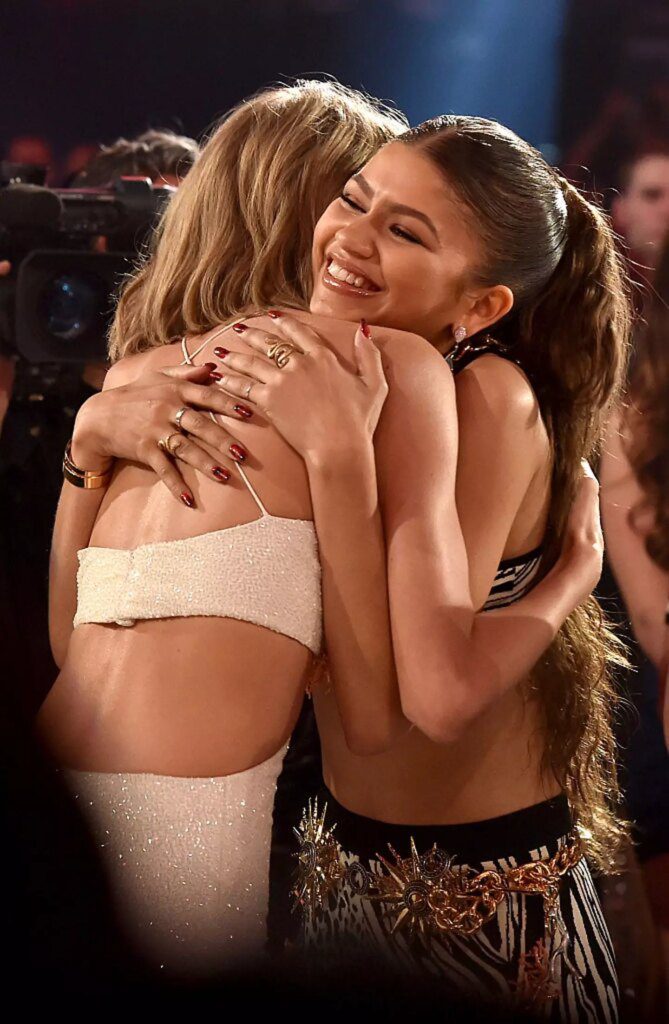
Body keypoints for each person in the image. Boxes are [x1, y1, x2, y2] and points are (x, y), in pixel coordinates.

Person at [39, 82, 605, 1000]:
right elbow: (388, 717)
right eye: (351, 197)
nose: (353, 237)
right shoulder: (397, 371)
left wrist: (83, 448)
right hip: (177, 848)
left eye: (404, 228)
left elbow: (70, 645)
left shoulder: (144, 375)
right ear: (303, 209)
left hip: (42, 819)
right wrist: (575, 567)